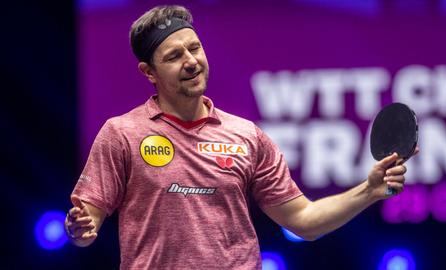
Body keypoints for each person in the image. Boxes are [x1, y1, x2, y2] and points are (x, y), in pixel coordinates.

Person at [65, 5, 416, 269]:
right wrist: (81, 229)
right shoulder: (121, 134)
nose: (191, 61)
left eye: (195, 48)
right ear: (149, 72)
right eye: (174, 56)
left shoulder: (246, 136)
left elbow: (304, 222)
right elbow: (87, 223)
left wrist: (369, 190)